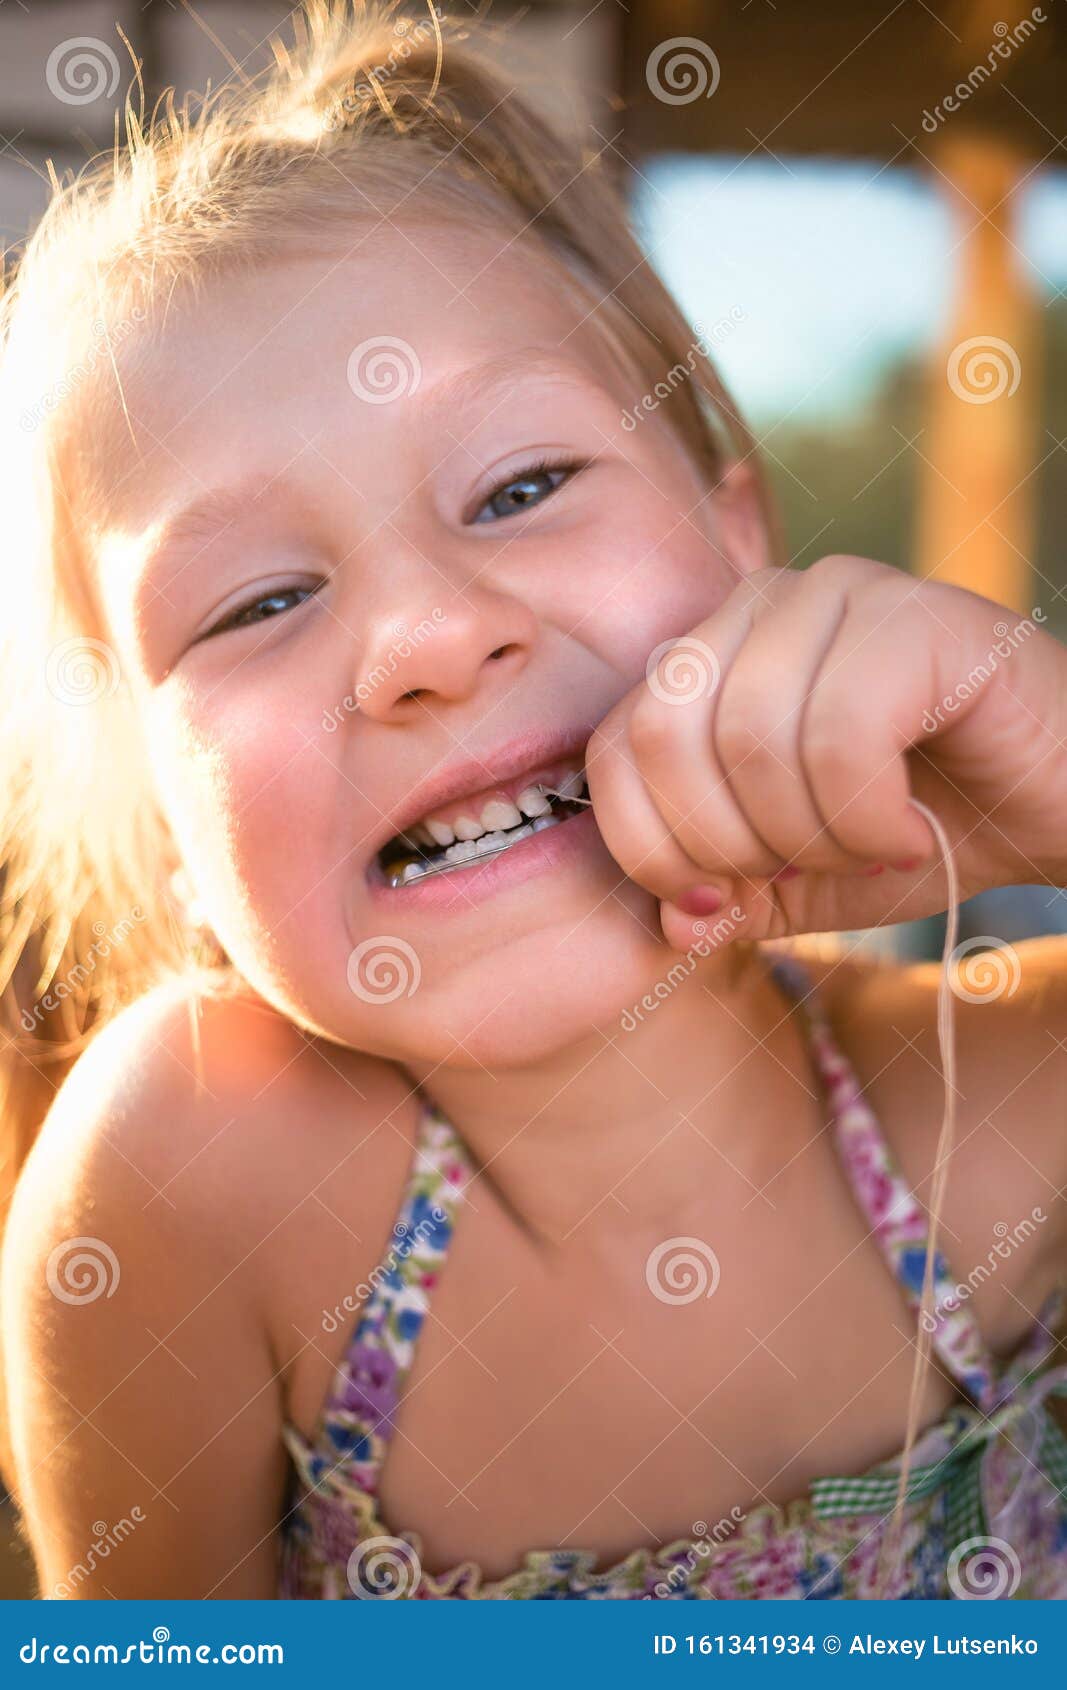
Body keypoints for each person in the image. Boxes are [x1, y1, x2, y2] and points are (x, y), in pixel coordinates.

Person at [1, 1, 1065, 1601]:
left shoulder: (1006, 1109)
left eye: (524, 486)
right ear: (167, 841)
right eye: (256, 602)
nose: (431, 638)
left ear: (739, 544)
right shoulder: (193, 1176)